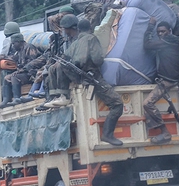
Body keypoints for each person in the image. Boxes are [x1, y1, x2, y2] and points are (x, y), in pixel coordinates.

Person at [44, 16, 124, 146]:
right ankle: (107, 135)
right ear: (90, 28)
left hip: (81, 79)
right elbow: (98, 59)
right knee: (117, 104)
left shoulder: (74, 43)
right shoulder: (92, 39)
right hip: (93, 78)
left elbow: (65, 61)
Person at [143, 17, 179, 144]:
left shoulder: (167, 41)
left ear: (170, 31)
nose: (161, 34)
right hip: (173, 78)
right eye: (159, 32)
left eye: (163, 31)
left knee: (147, 104)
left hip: (168, 80)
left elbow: (146, 45)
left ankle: (165, 133)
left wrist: (150, 26)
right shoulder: (176, 41)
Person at [0, 33, 41, 108]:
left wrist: (20, 71)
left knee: (14, 77)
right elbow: (11, 57)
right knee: (7, 78)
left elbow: (33, 63)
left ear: (19, 42)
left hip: (32, 74)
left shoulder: (29, 47)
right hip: (23, 73)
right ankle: (6, 100)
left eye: (14, 43)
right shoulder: (19, 51)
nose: (13, 46)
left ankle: (17, 98)